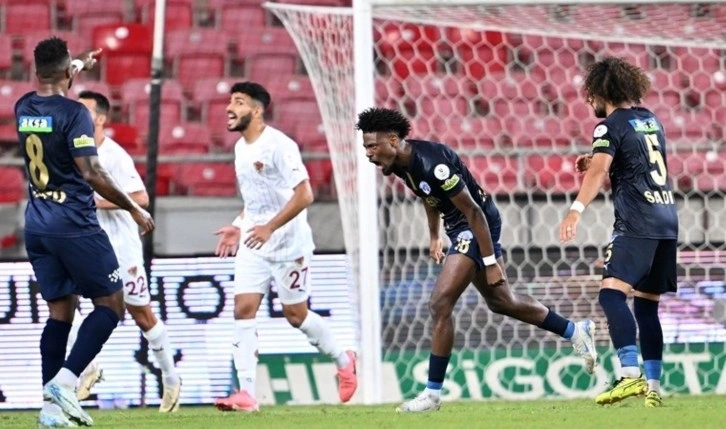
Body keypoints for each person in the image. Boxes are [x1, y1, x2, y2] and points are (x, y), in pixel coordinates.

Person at [356, 107, 597, 413]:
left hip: (475, 224)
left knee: (440, 303)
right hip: (459, 226)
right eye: (366, 147)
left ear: (392, 140)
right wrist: (435, 235)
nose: (368, 153)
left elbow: (473, 211)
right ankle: (576, 331)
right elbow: (428, 196)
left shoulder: (434, 165)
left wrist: (490, 261)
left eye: (372, 146)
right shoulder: (401, 165)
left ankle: (432, 394)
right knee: (502, 301)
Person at [16, 37, 154, 427]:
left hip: (37, 225)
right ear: (66, 73)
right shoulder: (75, 113)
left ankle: (50, 411)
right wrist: (133, 208)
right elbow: (92, 173)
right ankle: (66, 382)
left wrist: (78, 63)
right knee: (111, 305)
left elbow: (57, 78)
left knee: (60, 311)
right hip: (74, 224)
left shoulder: (23, 107)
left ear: (37, 71)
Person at [212, 82, 357, 412]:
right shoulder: (240, 148)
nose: (229, 108)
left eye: (238, 102)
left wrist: (270, 228)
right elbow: (256, 201)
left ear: (257, 111)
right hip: (254, 242)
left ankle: (344, 360)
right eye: (230, 102)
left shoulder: (279, 145)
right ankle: (247, 393)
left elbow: (305, 195)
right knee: (243, 309)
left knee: (296, 315)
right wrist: (238, 226)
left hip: (289, 245)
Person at [560, 57, 678, 408]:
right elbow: (638, 159)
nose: (588, 102)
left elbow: (599, 174)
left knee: (611, 296)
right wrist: (596, 158)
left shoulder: (607, 126)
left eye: (589, 95)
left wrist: (575, 210)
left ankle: (629, 375)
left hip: (636, 222)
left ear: (601, 91)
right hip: (666, 220)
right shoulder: (650, 119)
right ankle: (653, 389)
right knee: (646, 307)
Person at [69, 90, 182, 411]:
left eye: (84, 111)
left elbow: (141, 198)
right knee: (64, 300)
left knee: (142, 315)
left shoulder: (114, 155)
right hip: (87, 246)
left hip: (121, 248)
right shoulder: (73, 151)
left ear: (100, 119)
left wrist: (97, 201)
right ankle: (89, 367)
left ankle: (171, 378)